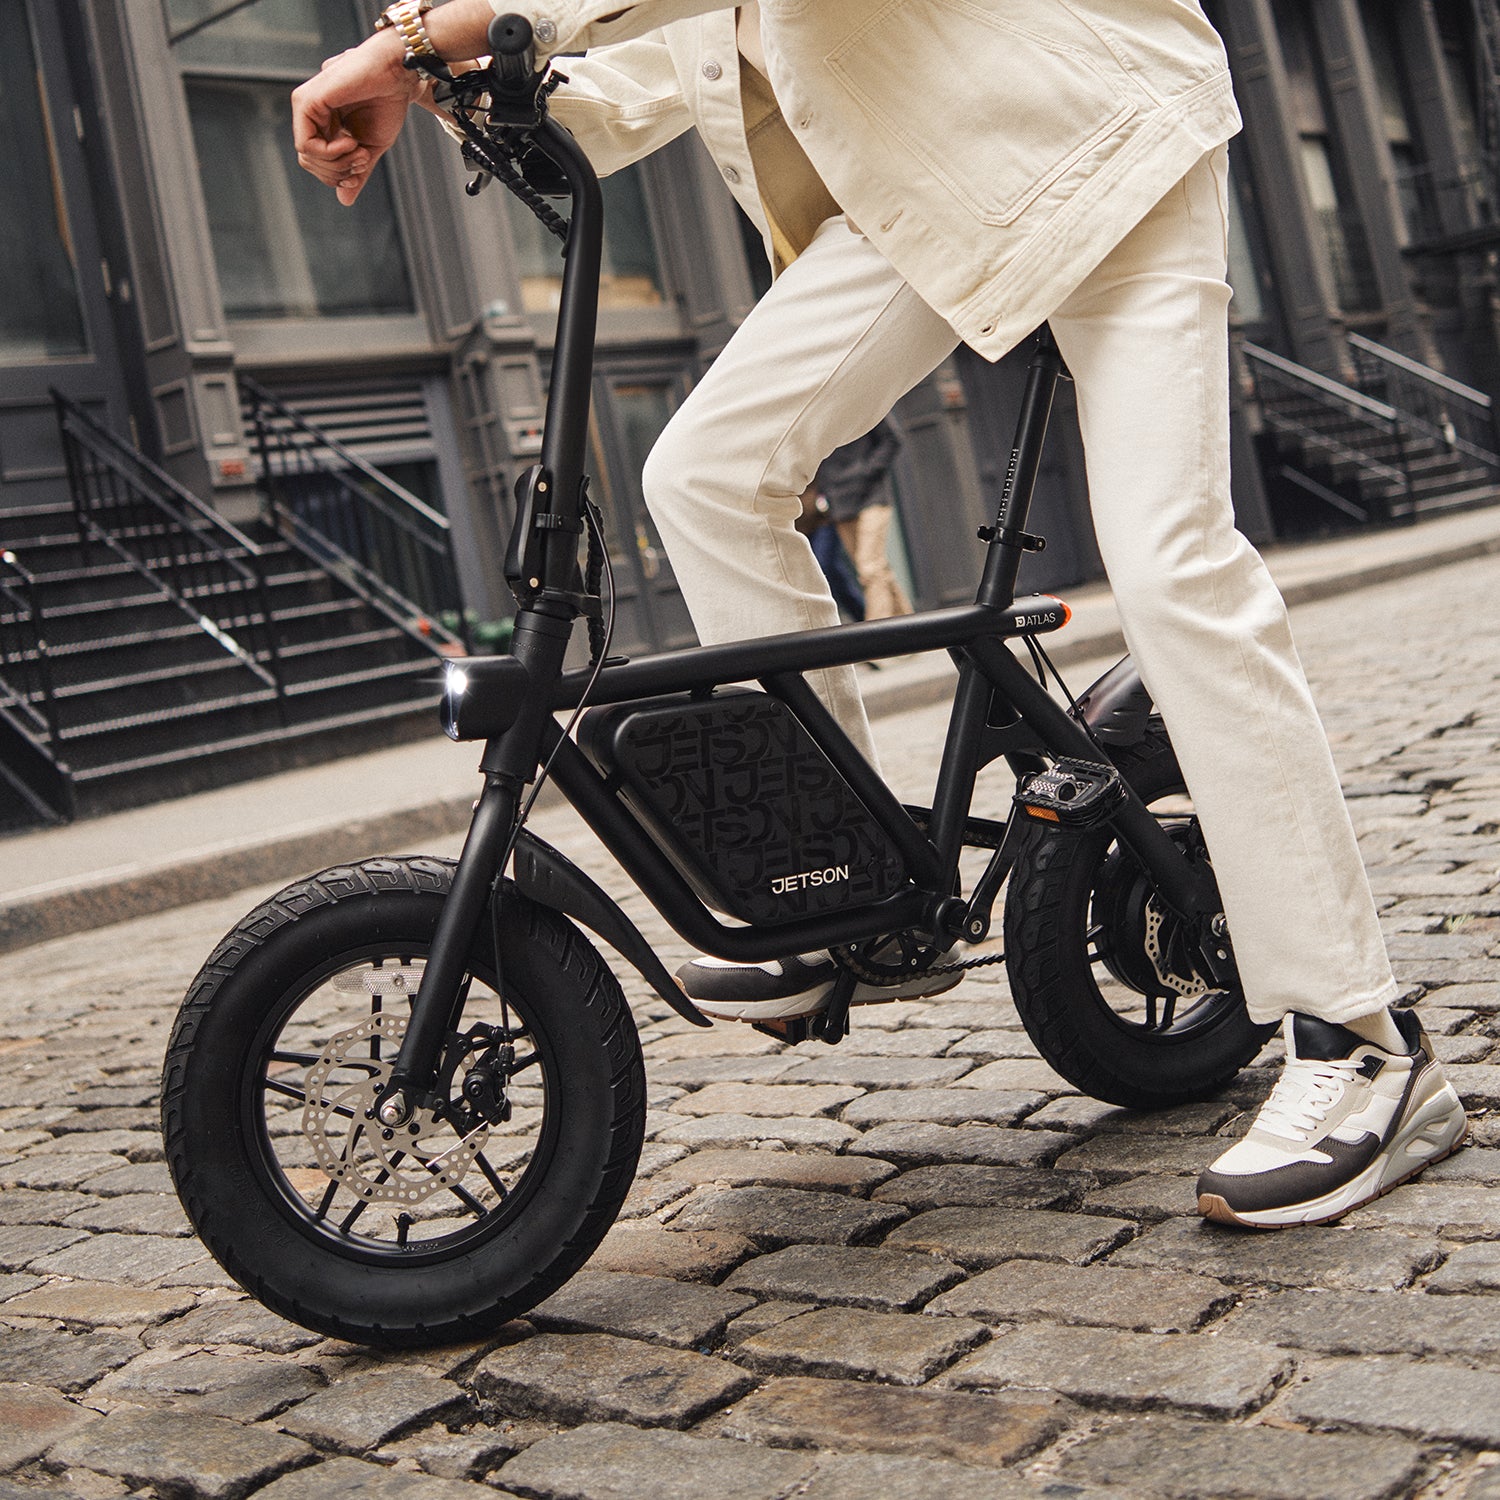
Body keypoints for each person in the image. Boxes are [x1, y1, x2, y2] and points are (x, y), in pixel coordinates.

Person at [292, 0, 1468, 1228]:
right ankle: (842, 885)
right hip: (921, 201)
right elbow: (637, 86)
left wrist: (419, 36)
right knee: (703, 475)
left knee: (1171, 566)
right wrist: (459, 87)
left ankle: (1366, 1041)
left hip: (1096, 138)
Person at [816, 419, 911, 621]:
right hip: (840, 504)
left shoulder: (863, 400)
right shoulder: (816, 413)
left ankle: (879, 639)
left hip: (872, 497)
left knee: (870, 568)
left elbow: (892, 439)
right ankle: (910, 626)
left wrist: (868, 471)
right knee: (876, 569)